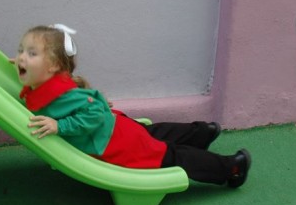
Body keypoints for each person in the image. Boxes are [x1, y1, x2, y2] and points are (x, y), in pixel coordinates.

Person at [14, 24, 251, 188]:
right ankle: (201, 133)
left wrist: (60, 126)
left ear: (53, 66)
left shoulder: (58, 94)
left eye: (31, 53)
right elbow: (82, 98)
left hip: (114, 144)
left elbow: (93, 112)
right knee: (151, 133)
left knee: (170, 155)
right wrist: (23, 63)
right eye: (20, 51)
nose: (21, 57)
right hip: (112, 130)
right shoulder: (49, 82)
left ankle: (231, 168)